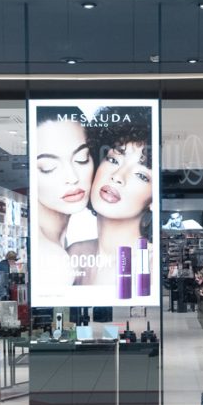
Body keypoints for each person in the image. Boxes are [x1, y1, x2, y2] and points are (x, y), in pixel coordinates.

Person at [70, 106, 154, 286]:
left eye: (141, 175)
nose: (117, 176)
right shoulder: (75, 255)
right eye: (113, 159)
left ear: (153, 200)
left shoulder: (149, 266)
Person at [34, 107, 94, 287]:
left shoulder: (61, 241)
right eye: (48, 167)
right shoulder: (51, 259)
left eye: (82, 158)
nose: (72, 177)